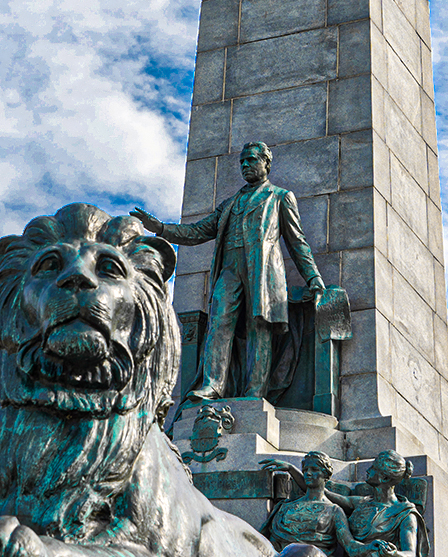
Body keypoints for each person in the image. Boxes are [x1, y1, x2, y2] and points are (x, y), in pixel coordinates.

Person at [131, 142, 326, 401]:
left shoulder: (279, 197)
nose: (245, 165)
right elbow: (197, 231)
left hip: (264, 271)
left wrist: (313, 277)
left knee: (261, 325)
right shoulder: (230, 203)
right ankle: (212, 386)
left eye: (252, 160)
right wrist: (161, 228)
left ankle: (255, 391)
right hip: (230, 268)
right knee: (219, 322)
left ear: (266, 164)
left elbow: (297, 241)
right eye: (242, 161)